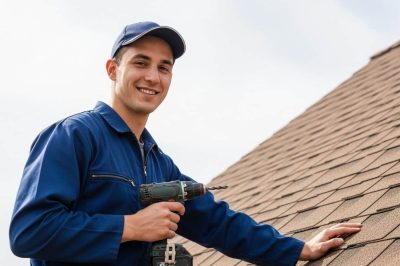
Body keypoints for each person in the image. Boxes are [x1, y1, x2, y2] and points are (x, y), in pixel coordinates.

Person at [9, 21, 362, 266]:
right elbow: (30, 231)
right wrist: (130, 227)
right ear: (113, 70)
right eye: (141, 63)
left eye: (164, 67)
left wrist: (299, 248)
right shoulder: (72, 136)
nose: (153, 76)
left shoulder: (159, 162)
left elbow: (219, 223)